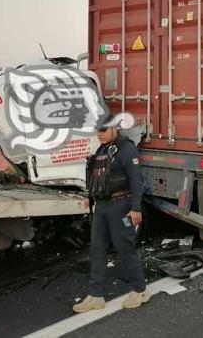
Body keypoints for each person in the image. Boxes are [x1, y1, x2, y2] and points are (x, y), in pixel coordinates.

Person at [73, 115, 149, 313]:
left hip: (121, 207)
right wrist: (91, 198)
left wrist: (136, 208)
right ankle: (95, 295)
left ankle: (140, 290)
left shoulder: (126, 148)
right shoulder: (102, 149)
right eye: (97, 131)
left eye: (104, 131)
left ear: (115, 128)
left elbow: (136, 180)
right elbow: (99, 176)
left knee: (125, 248)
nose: (100, 134)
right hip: (103, 207)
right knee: (97, 250)